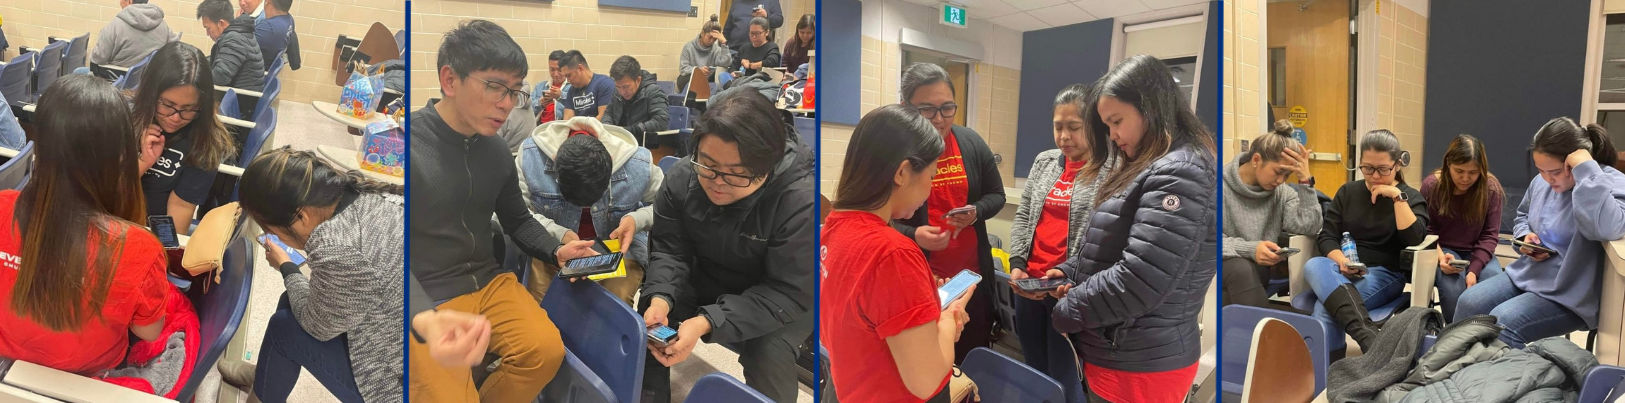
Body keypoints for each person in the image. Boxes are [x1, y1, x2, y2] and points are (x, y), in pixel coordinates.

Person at [408, 20, 596, 402]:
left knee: (544, 352)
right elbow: (385, 252)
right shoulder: (406, 144)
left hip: (488, 281)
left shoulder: (495, 150)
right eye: (495, 86)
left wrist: (556, 250)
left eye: (515, 91)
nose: (507, 103)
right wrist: (422, 315)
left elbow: (518, 219)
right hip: (427, 292)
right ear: (450, 80)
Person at [1045, 55, 1217, 403]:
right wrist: (1067, 272)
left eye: (1116, 121)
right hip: (1122, 350)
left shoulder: (1180, 172)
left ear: (1151, 108)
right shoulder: (1149, 164)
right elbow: (1110, 242)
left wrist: (1069, 309)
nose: (1113, 135)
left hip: (1141, 362)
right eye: (1107, 125)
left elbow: (1141, 277)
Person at [640, 92, 814, 403]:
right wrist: (660, 297)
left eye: (736, 174)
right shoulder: (682, 177)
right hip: (710, 271)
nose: (718, 182)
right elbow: (670, 251)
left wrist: (709, 320)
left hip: (779, 294)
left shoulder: (800, 200)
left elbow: (789, 290)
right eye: (707, 165)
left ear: (767, 167)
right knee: (653, 315)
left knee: (768, 352)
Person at [0, 75, 169, 376]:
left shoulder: (3, 206)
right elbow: (149, 332)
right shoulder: (140, 249)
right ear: (120, 155)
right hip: (87, 381)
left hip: (8, 371)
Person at [214, 148, 404, 403]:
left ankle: (262, 390)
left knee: (284, 327)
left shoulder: (337, 249)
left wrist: (286, 265)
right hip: (402, 336)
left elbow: (317, 326)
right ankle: (266, 377)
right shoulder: (368, 194)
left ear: (301, 216)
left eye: (271, 229)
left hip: (400, 384)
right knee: (290, 299)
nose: (276, 237)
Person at [822, 104, 970, 403]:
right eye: (931, 175)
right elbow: (926, 382)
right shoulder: (892, 253)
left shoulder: (833, 225)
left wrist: (920, 298)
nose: (930, 188)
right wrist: (947, 319)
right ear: (902, 172)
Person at [1455, 117, 1625, 347]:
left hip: (1569, 295)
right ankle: (1454, 368)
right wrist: (1525, 238)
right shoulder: (1541, 182)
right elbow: (1522, 217)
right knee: (1469, 302)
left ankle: (1491, 380)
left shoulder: (1609, 182)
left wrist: (1587, 171)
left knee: (1505, 321)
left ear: (1576, 161)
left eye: (1554, 172)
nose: (1547, 179)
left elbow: (1606, 227)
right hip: (1528, 276)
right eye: (1541, 170)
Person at [1005, 83, 1112, 402]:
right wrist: (1018, 264)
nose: (1064, 136)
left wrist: (1071, 277)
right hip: (1030, 285)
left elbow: (1102, 235)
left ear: (1092, 127)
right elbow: (1025, 214)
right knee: (1034, 368)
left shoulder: (1108, 170)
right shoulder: (1045, 161)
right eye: (1058, 127)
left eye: (1073, 128)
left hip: (1068, 289)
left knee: (1064, 373)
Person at [894, 62, 1003, 364]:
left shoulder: (970, 142)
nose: (939, 120)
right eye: (927, 109)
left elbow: (997, 195)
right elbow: (876, 219)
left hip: (970, 279)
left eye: (947, 108)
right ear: (906, 107)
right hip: (921, 282)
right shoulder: (894, 152)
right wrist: (914, 234)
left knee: (972, 355)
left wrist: (976, 211)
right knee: (929, 360)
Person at [1302, 129, 1428, 352]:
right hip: (1343, 270)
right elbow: (1327, 236)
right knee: (1313, 264)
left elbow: (1413, 240)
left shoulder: (1411, 197)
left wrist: (1396, 198)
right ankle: (1368, 338)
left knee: (1327, 307)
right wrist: (1342, 261)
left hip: (1385, 274)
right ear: (1359, 162)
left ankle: (1327, 370)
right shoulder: (1348, 192)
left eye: (1383, 169)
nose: (1375, 176)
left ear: (1397, 165)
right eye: (1368, 168)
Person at [516, 117, 663, 305]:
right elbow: (517, 213)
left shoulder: (638, 163)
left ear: (611, 164)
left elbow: (666, 207)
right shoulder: (531, 156)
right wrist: (561, 235)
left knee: (611, 311)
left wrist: (636, 220)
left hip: (617, 249)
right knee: (542, 308)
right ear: (555, 163)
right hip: (552, 245)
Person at [133, 42, 234, 231]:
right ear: (150, 94)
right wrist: (142, 163)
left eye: (189, 109)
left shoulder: (205, 142)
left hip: (150, 231)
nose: (176, 118)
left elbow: (179, 210)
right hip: (109, 220)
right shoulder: (123, 118)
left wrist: (162, 252)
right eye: (167, 105)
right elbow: (103, 193)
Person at [1221, 120, 1322, 307]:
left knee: (1235, 291)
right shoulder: (1217, 186)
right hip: (1216, 265)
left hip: (1255, 272)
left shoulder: (1282, 193)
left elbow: (1309, 225)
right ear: (1256, 160)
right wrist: (1251, 249)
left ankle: (1250, 332)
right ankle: (1263, 332)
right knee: (1241, 269)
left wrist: (1306, 182)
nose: (1280, 180)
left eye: (1287, 175)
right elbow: (1206, 241)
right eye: (1278, 172)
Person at [1420, 134, 1505, 322]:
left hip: (1478, 250)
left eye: (1473, 172)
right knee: (1453, 292)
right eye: (1459, 170)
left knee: (1493, 287)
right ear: (1448, 164)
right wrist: (1441, 258)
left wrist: (1473, 270)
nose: (1465, 178)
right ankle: (1456, 338)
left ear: (1481, 170)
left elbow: (1490, 235)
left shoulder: (1490, 189)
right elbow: (1427, 230)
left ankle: (1484, 337)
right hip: (1443, 249)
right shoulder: (1432, 186)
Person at [602, 56, 671, 150]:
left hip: (643, 146)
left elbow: (661, 122)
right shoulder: (617, 91)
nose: (622, 92)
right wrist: (608, 129)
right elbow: (608, 113)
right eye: (618, 87)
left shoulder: (653, 92)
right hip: (621, 144)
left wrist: (629, 131)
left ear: (638, 80)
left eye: (626, 87)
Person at [197, 0, 266, 92]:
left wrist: (195, 74)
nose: (207, 34)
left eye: (208, 28)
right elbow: (220, 57)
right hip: (238, 95)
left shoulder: (234, 39)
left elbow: (220, 78)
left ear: (221, 23)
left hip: (239, 101)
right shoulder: (238, 31)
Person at [90, 0, 179, 68]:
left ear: (129, 1)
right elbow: (175, 48)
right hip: (147, 80)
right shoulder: (162, 24)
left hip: (117, 81)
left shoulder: (115, 26)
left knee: (80, 71)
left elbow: (97, 60)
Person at [678, 16, 733, 93]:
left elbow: (726, 63)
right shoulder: (689, 47)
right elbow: (683, 69)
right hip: (688, 79)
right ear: (703, 33)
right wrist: (698, 70)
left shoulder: (716, 49)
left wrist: (724, 43)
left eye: (715, 39)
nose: (711, 41)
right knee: (693, 78)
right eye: (709, 37)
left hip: (706, 81)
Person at [559, 50, 615, 120]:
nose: (568, 80)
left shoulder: (605, 84)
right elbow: (567, 121)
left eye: (569, 75)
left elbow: (603, 119)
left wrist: (581, 128)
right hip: (578, 130)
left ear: (580, 69)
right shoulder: (572, 90)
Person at [532, 50, 569, 125]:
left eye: (559, 70)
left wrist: (561, 96)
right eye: (552, 70)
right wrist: (540, 103)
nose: (555, 74)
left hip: (559, 127)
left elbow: (578, 108)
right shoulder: (540, 86)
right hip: (539, 128)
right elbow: (528, 110)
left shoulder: (573, 87)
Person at [255, 0, 295, 67]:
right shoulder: (289, 20)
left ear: (267, 2)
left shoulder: (267, 28)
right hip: (267, 65)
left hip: (255, 70)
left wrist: (239, 22)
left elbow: (239, 46)